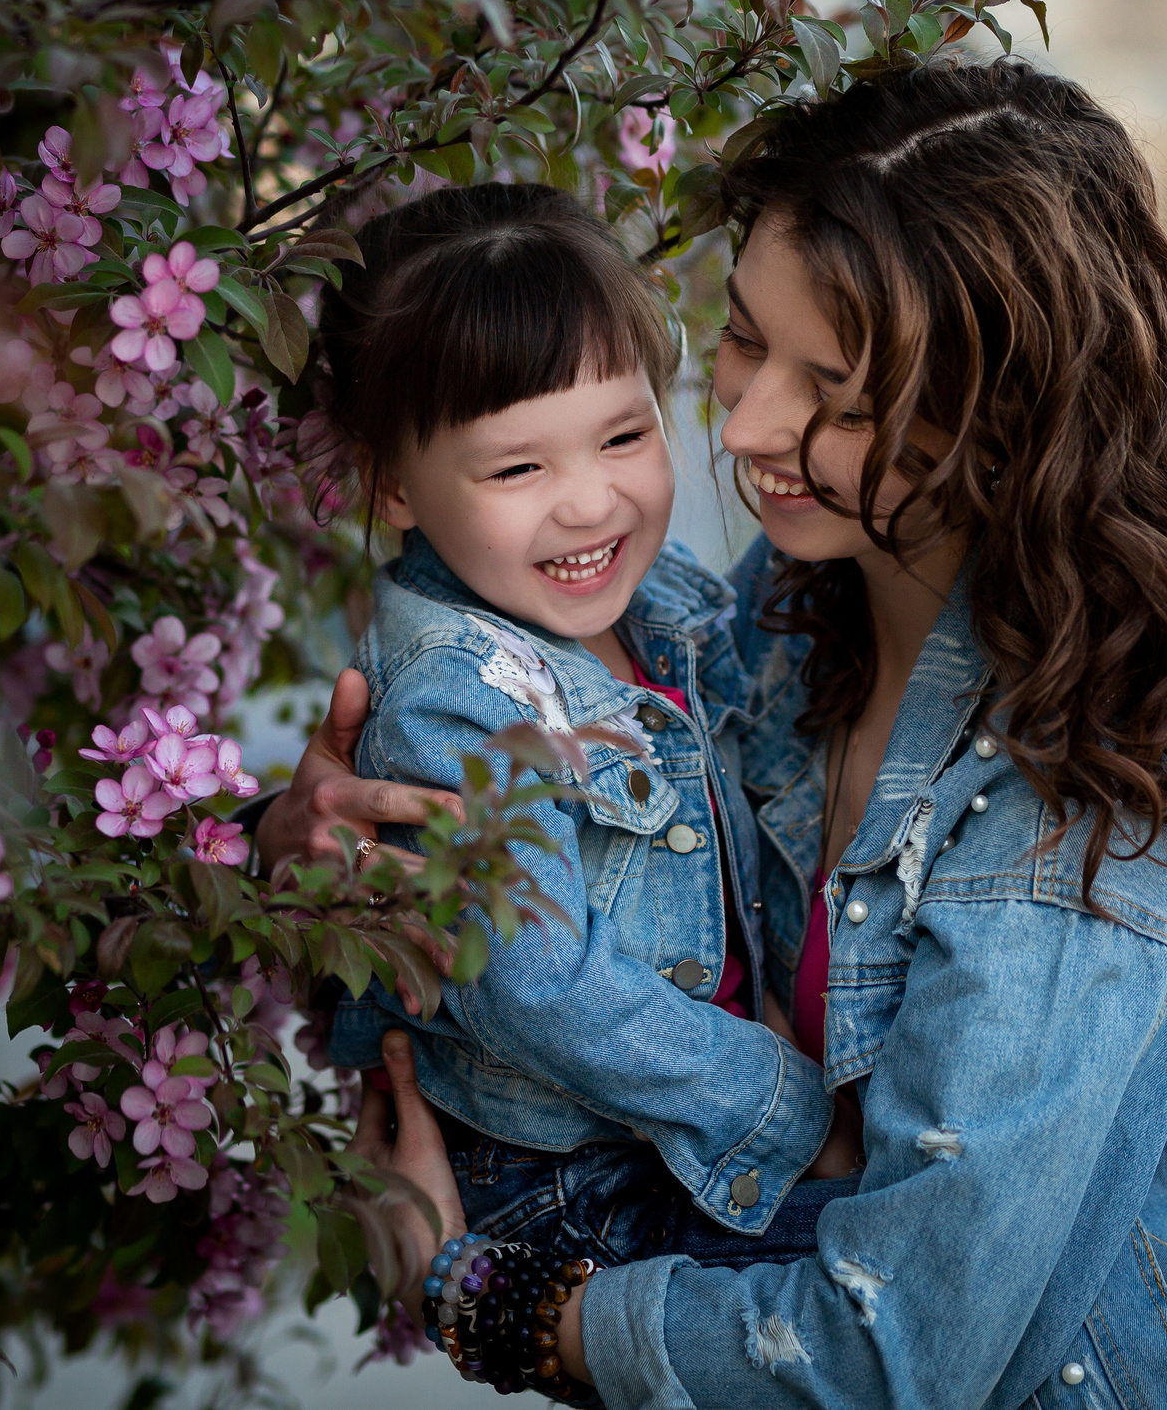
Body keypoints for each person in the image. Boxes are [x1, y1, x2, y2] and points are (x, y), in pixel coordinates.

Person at [263, 59, 1167, 1408]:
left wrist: (488, 1299)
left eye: (836, 393)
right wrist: (314, 838)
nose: (745, 422)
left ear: (1002, 420)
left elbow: (898, 1353)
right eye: (741, 338)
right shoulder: (786, 607)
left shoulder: (1092, 783)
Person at [304, 183, 849, 1282]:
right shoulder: (458, 699)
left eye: (623, 435)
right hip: (575, 1178)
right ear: (392, 485)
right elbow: (536, 987)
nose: (590, 503)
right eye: (519, 467)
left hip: (669, 1130)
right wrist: (787, 1107)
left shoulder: (660, 602)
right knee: (893, 1281)